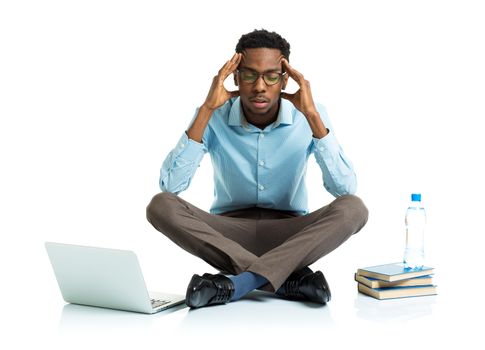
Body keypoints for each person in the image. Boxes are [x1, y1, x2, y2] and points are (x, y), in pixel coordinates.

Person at [146, 29, 368, 309]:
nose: (260, 86)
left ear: (285, 80)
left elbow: (345, 189)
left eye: (271, 76)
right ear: (235, 77)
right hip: (227, 235)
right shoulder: (213, 114)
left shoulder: (311, 114)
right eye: (249, 74)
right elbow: (171, 186)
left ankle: (238, 283)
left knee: (354, 208)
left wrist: (312, 117)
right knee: (160, 206)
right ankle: (286, 278)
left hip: (290, 233)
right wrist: (205, 110)